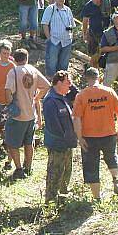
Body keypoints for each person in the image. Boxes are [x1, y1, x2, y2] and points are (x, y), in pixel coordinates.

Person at [72, 66, 118, 200]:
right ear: (99, 77)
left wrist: (79, 137)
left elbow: (77, 118)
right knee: (112, 157)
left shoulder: (82, 95)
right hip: (109, 133)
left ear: (86, 78)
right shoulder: (109, 92)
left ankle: (97, 197)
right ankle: (116, 181)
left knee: (91, 165)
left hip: (89, 136)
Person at [4, 49, 50, 179]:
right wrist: (36, 99)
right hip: (31, 114)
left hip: (18, 115)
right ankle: (28, 167)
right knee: (29, 142)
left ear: (14, 59)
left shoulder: (13, 72)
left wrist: (10, 102)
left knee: (12, 144)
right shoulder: (33, 70)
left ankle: (19, 169)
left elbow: (8, 91)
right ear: (27, 58)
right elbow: (46, 85)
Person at [42, 71, 78, 205]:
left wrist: (71, 85)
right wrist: (65, 138)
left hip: (67, 143)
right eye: (67, 82)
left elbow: (77, 95)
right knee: (55, 173)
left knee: (66, 171)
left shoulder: (63, 97)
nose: (70, 85)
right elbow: (53, 126)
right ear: (58, 83)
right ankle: (50, 201)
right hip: (58, 144)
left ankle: (62, 198)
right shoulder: (51, 100)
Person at [80, 0, 118, 64]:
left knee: (105, 52)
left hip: (106, 32)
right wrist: (84, 34)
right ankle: (93, 67)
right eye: (95, 2)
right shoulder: (88, 6)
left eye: (98, 2)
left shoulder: (106, 1)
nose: (96, 3)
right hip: (94, 32)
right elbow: (85, 21)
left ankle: (103, 66)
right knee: (93, 52)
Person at [41, 0, 76, 78]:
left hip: (67, 41)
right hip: (54, 40)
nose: (61, 0)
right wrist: (49, 38)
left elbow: (72, 24)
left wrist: (72, 36)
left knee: (64, 64)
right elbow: (45, 24)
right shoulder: (50, 8)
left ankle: (62, 82)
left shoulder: (68, 10)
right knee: (51, 63)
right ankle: (51, 81)